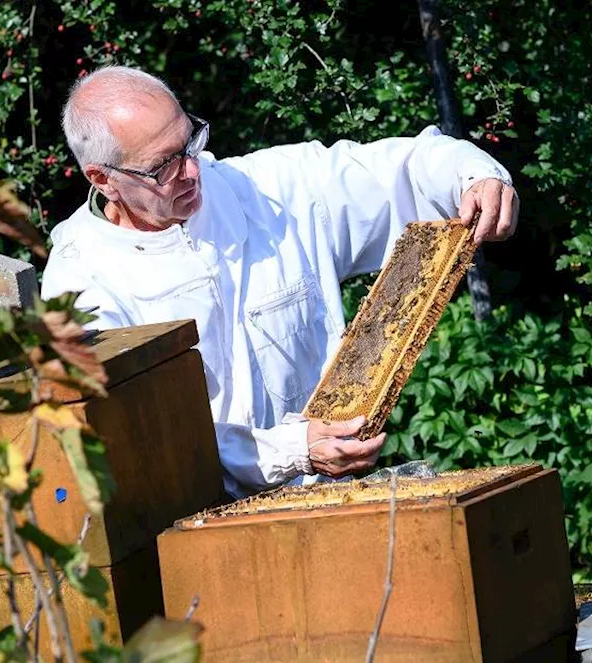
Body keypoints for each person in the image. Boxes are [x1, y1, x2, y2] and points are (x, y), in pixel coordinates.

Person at [39, 65, 519, 499]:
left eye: (190, 143)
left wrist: (475, 177)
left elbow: (403, 167)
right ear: (103, 179)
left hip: (336, 499)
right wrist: (288, 450)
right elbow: (141, 435)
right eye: (163, 166)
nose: (190, 170)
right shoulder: (81, 282)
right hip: (201, 532)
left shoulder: (266, 189)